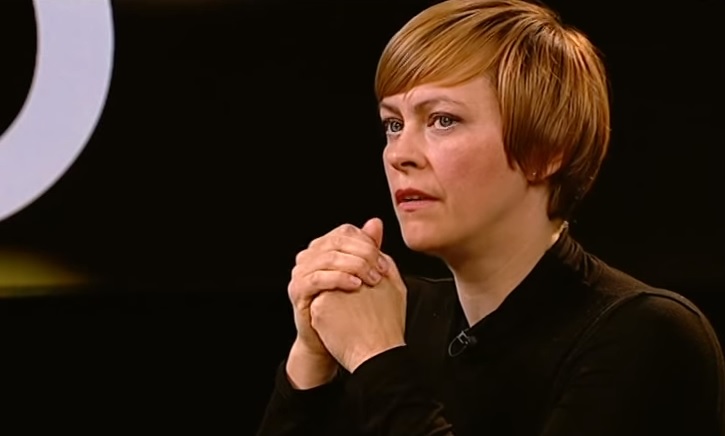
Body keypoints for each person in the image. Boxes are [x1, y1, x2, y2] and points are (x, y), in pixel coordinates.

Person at [256, 0, 725, 434]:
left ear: (545, 151)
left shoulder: (647, 335)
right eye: (393, 124)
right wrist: (311, 356)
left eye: (442, 120)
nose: (399, 154)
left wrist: (374, 356)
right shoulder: (396, 312)